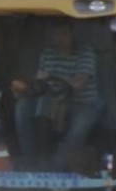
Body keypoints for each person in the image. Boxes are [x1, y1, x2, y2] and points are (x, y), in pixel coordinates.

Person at [12, 21, 103, 172]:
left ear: (71, 34)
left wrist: (55, 78)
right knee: (22, 108)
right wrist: (27, 89)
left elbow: (81, 82)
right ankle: (30, 161)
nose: (60, 38)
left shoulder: (85, 52)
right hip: (53, 100)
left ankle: (55, 168)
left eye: (63, 34)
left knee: (77, 130)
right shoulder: (48, 53)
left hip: (84, 103)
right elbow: (40, 80)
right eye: (56, 34)